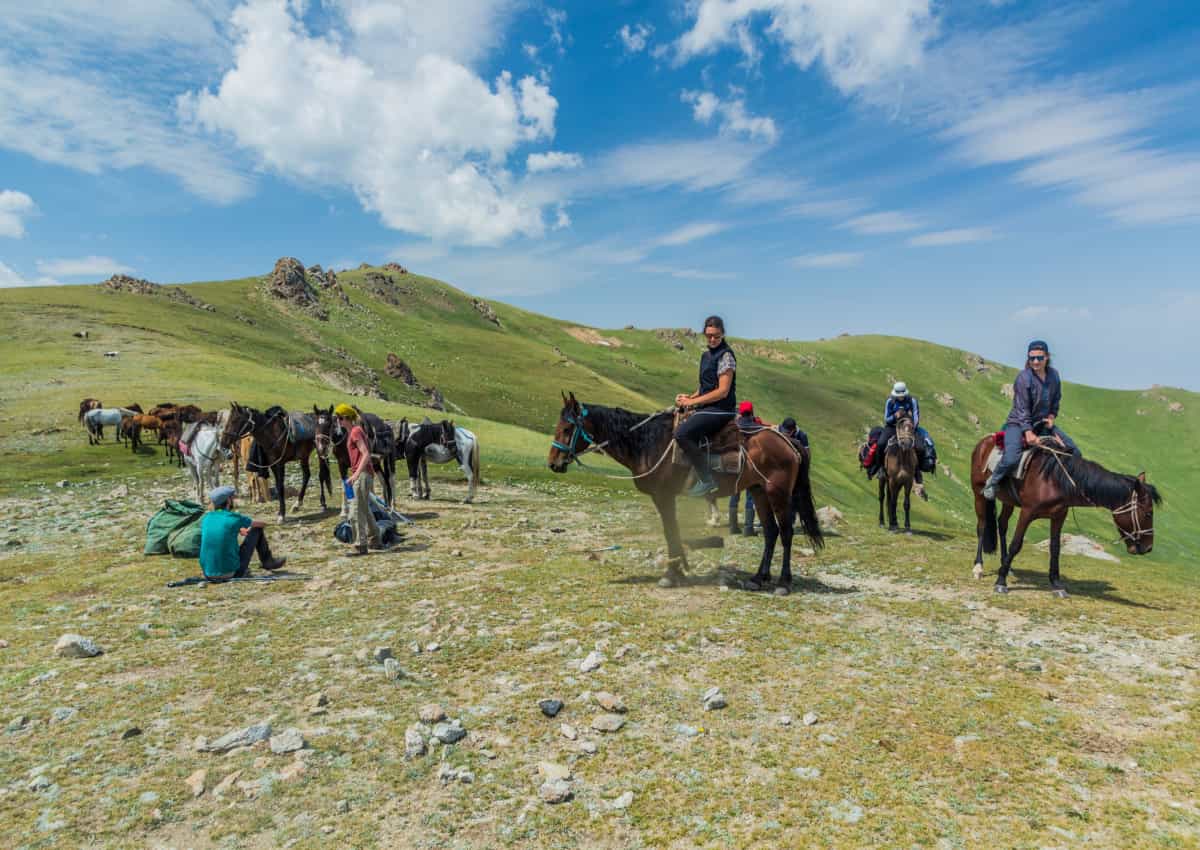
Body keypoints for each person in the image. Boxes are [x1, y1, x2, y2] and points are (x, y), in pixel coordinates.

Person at [982, 340, 1078, 500]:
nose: (1035, 362)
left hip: (1042, 424)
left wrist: (1052, 417)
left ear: (1047, 357)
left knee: (1074, 450)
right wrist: (1027, 431)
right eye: (1031, 358)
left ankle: (1067, 489)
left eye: (1039, 358)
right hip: (1018, 423)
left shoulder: (1054, 375)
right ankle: (993, 481)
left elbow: (1056, 400)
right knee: (1012, 457)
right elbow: (1022, 408)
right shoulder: (1024, 378)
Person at [674, 315, 738, 497]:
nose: (712, 339)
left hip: (721, 409)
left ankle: (706, 479)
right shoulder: (706, 355)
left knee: (682, 434)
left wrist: (692, 403)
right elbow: (705, 386)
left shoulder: (726, 356)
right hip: (707, 407)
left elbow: (722, 391)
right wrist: (688, 397)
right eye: (708, 335)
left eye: (716, 336)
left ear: (723, 334)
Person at [199, 485, 286, 581]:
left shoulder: (206, 518)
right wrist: (271, 523)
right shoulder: (234, 517)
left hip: (207, 574)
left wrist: (239, 529)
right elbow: (260, 524)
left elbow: (221, 528)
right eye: (232, 498)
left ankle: (267, 562)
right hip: (231, 573)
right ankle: (268, 562)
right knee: (257, 529)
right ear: (228, 501)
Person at [867, 382, 932, 500]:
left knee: (920, 447)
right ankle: (881, 468)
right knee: (881, 443)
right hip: (892, 427)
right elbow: (886, 419)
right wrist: (895, 416)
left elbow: (916, 416)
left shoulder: (912, 401)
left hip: (909, 428)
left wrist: (911, 425)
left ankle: (917, 472)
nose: (901, 397)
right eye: (899, 395)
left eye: (902, 395)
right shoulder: (890, 401)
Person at [336, 403, 382, 554]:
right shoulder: (356, 431)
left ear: (348, 418)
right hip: (364, 474)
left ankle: (360, 545)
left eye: (340, 418)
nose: (338, 421)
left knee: (356, 510)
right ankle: (375, 538)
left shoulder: (355, 432)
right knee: (364, 508)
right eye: (337, 418)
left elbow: (366, 453)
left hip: (362, 475)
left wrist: (355, 475)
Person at [729, 401, 762, 535]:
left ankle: (733, 527)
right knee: (750, 496)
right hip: (750, 465)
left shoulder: (734, 426)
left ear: (740, 413)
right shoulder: (756, 427)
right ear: (752, 412)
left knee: (734, 494)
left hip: (735, 464)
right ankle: (748, 528)